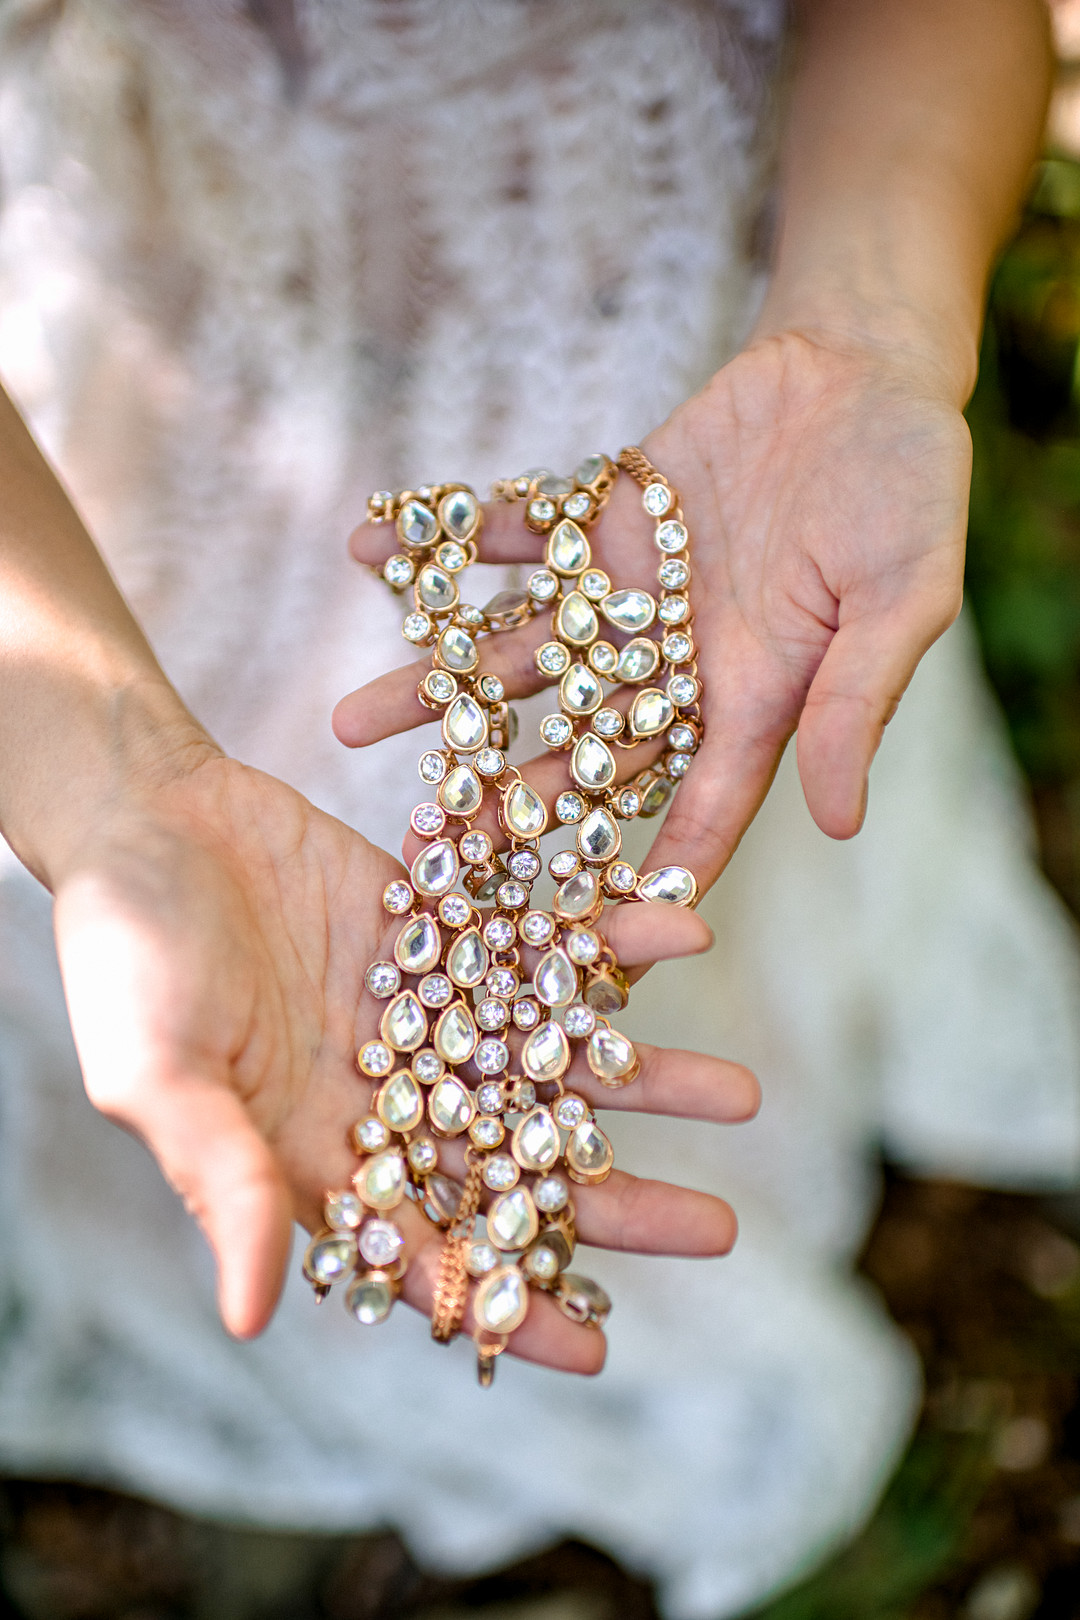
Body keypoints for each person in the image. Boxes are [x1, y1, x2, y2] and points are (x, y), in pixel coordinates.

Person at [0, 2, 1076, 1615]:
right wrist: (106, 787)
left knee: (648, 854)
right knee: (290, 963)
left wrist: (866, 328)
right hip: (115, 457)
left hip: (664, 424)